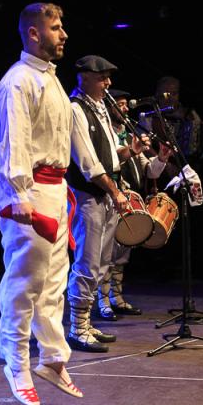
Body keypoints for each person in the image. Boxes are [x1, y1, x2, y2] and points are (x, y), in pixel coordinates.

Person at [0, 3, 123, 405]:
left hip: (55, 188)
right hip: (30, 190)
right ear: (34, 33)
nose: (63, 33)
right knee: (25, 281)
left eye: (62, 26)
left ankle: (52, 357)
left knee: (52, 283)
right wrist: (18, 195)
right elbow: (12, 142)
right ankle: (15, 360)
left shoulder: (51, 81)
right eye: (55, 27)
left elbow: (69, 141)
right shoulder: (18, 81)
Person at [64, 55, 130, 352]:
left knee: (102, 263)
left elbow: (110, 155)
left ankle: (86, 322)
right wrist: (115, 191)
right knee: (87, 262)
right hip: (89, 195)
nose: (108, 83)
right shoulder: (76, 109)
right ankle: (77, 328)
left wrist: (129, 152)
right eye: (103, 77)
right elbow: (88, 163)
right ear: (85, 77)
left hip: (105, 193)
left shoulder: (99, 108)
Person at [96, 90, 149, 320]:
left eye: (127, 104)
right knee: (106, 254)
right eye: (121, 104)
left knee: (121, 254)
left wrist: (162, 158)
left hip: (128, 202)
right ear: (109, 108)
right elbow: (109, 160)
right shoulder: (107, 134)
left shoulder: (129, 135)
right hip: (110, 198)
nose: (126, 109)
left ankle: (116, 298)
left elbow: (149, 169)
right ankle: (103, 302)